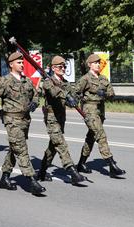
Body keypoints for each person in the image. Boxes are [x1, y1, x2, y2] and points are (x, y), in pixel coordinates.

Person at [0, 52, 45, 195]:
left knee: (14, 149)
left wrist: (34, 104)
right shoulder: (4, 81)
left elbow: (36, 95)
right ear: (11, 64)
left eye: (22, 62)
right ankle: (31, 180)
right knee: (21, 149)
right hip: (11, 120)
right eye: (18, 62)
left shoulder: (26, 80)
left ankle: (4, 178)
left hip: (25, 120)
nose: (21, 64)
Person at [73, 53, 126, 178]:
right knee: (100, 135)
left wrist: (105, 94)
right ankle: (111, 164)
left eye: (99, 63)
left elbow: (112, 93)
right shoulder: (85, 79)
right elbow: (75, 92)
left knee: (91, 137)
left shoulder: (103, 78)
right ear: (89, 65)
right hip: (89, 109)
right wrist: (80, 99)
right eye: (95, 63)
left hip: (100, 110)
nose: (98, 65)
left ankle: (81, 163)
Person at [37, 55, 87, 185]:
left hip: (61, 118)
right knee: (60, 144)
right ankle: (73, 172)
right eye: (60, 66)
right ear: (53, 68)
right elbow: (55, 92)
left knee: (53, 147)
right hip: (51, 118)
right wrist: (67, 97)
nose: (63, 68)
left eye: (64, 66)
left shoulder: (65, 82)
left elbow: (73, 93)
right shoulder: (48, 81)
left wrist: (78, 97)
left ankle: (41, 172)